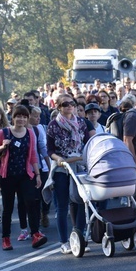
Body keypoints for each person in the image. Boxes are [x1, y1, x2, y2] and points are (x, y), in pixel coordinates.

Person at [0, 105, 47, 251]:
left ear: (27, 119)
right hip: (7, 175)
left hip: (25, 175)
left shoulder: (30, 133)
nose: (21, 119)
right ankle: (6, 238)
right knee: (8, 207)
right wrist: (2, 147)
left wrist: (38, 175)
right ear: (13, 118)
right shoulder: (4, 132)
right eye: (18, 116)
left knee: (30, 203)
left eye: (24, 117)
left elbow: (33, 155)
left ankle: (35, 234)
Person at [46, 94, 93, 254]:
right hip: (62, 167)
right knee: (62, 205)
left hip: (79, 165)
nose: (69, 106)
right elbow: (50, 149)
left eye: (71, 103)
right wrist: (58, 158)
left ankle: (80, 237)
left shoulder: (80, 122)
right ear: (59, 107)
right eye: (65, 104)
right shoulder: (53, 125)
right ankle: (64, 241)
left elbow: (87, 142)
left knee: (80, 201)